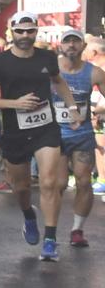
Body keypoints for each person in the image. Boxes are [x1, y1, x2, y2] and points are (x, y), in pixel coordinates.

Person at [0, 13, 78, 259]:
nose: (25, 36)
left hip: (46, 127)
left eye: (30, 31)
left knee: (48, 182)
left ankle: (50, 239)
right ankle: (29, 216)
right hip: (14, 131)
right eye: (20, 31)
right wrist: (15, 104)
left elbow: (59, 82)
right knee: (21, 187)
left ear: (37, 32)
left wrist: (73, 108)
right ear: (11, 31)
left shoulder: (47, 57)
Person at [57, 27, 96, 247]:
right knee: (59, 183)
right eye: (67, 41)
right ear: (60, 45)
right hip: (55, 134)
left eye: (75, 41)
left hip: (82, 135)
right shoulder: (51, 71)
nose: (71, 45)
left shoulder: (94, 72)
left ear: (83, 46)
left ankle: (77, 230)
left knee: (84, 181)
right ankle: (51, 228)